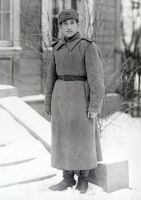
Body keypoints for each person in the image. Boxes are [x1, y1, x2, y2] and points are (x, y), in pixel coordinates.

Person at [44, 9, 105, 194]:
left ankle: (84, 178)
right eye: (64, 24)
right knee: (63, 138)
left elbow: (97, 79)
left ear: (77, 24)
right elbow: (50, 78)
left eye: (72, 23)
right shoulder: (57, 48)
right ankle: (67, 178)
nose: (68, 27)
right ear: (60, 27)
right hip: (60, 99)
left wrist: (94, 105)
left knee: (82, 138)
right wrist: (48, 102)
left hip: (81, 98)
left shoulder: (87, 46)